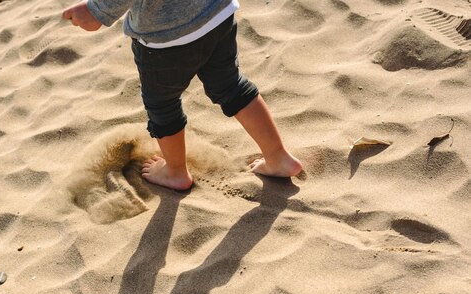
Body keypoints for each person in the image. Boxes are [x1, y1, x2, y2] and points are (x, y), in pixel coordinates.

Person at [62, 0, 303, 191]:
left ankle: (175, 171)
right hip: (217, 15)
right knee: (232, 86)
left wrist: (95, 11)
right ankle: (278, 157)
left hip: (166, 37)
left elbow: (99, 14)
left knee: (162, 104)